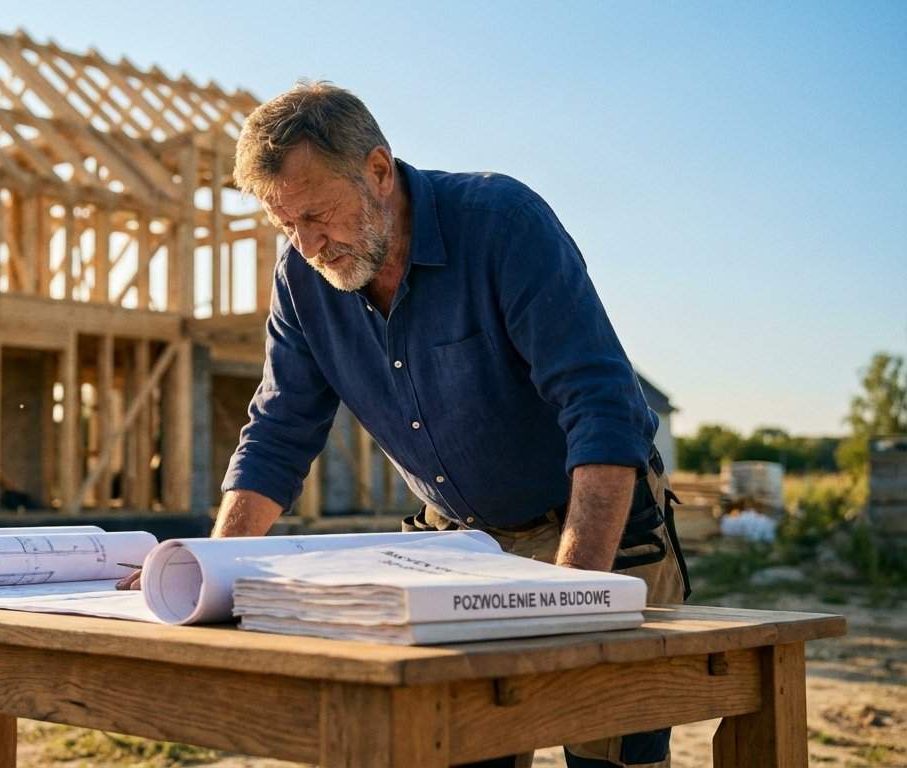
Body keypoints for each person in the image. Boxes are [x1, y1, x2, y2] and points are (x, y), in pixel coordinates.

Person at [120, 80, 687, 768]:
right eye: (286, 225)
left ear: (379, 172)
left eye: (317, 214)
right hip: (462, 551)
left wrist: (572, 600)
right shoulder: (303, 279)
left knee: (606, 752)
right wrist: (209, 570)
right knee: (461, 750)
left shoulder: (503, 223)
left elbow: (600, 404)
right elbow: (279, 427)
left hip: (594, 532)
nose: (307, 244)